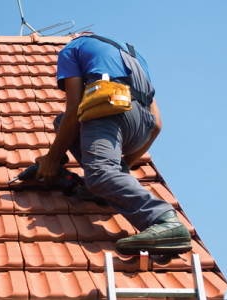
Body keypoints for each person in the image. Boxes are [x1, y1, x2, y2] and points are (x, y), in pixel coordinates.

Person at [35, 33, 192, 255]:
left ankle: (163, 219)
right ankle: (111, 182)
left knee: (98, 173)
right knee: (61, 124)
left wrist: (51, 160)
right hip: (141, 128)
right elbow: (157, 125)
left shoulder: (71, 49)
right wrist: (123, 165)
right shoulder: (135, 55)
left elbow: (73, 112)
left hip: (110, 110)